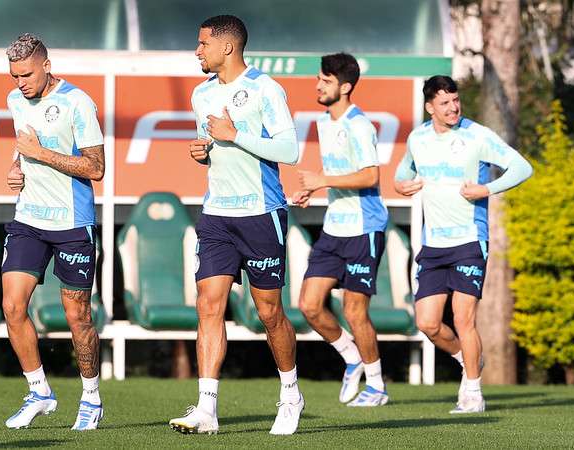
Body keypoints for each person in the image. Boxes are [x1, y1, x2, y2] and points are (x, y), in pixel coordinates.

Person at [167, 15, 302, 436]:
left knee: (269, 312)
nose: (197, 51)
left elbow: (290, 149)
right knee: (208, 304)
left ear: (227, 47)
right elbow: (214, 147)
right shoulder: (201, 93)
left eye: (202, 43)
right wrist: (203, 152)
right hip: (217, 215)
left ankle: (290, 393)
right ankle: (207, 409)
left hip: (262, 214)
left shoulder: (266, 88)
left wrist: (234, 133)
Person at [394, 75, 533, 413]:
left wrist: (487, 189)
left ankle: (472, 391)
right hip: (433, 244)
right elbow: (401, 175)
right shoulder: (418, 139)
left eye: (455, 101)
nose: (453, 107)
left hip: (470, 240)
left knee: (463, 318)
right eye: (444, 103)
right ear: (430, 107)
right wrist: (402, 186)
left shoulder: (478, 135)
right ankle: (468, 358)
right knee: (427, 323)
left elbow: (522, 167)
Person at [1, 33, 106, 430]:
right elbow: (22, 147)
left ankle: (91, 397)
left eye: (26, 74)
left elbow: (96, 167)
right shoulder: (15, 101)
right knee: (13, 306)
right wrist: (15, 168)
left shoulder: (78, 103)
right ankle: (40, 391)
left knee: (77, 316)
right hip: (29, 219)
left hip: (72, 224)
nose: (21, 83)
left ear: (47, 65)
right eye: (14, 77)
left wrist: (39, 154)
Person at [292, 52, 390, 407]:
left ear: (345, 87)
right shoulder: (324, 122)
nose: (318, 85)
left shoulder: (359, 125)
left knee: (354, 312)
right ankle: (351, 357)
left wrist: (321, 181)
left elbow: (370, 175)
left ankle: (377, 387)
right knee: (309, 305)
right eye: (319, 78)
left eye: (326, 80)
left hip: (365, 229)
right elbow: (337, 170)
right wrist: (312, 188)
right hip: (334, 228)